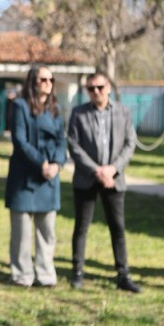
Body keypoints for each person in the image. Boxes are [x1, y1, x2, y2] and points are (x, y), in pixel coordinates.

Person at [66, 72, 141, 293]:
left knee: (117, 228)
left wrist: (113, 169)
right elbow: (74, 145)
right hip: (86, 179)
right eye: (90, 89)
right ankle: (77, 272)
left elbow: (130, 143)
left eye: (99, 87)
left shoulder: (123, 112)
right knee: (81, 227)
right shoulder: (78, 113)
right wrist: (97, 170)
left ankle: (123, 274)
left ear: (108, 87)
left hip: (114, 180)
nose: (95, 92)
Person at [4, 65, 65, 288]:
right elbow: (20, 141)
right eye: (43, 79)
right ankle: (22, 274)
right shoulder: (20, 106)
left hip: (49, 178)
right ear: (32, 82)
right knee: (21, 232)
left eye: (51, 79)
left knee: (47, 231)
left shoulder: (55, 109)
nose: (47, 83)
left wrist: (57, 164)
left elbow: (61, 140)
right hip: (24, 176)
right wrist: (42, 163)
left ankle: (46, 274)